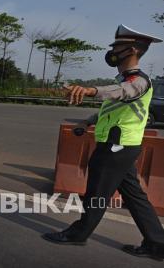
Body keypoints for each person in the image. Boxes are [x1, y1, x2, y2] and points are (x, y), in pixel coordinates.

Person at [42, 24, 164, 261]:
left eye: (117, 47)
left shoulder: (139, 81)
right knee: (134, 196)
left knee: (96, 193)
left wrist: (89, 90)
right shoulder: (124, 78)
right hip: (120, 146)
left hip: (116, 147)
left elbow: (121, 93)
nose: (112, 52)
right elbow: (113, 108)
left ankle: (79, 233)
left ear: (131, 50)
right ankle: (157, 243)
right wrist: (88, 122)